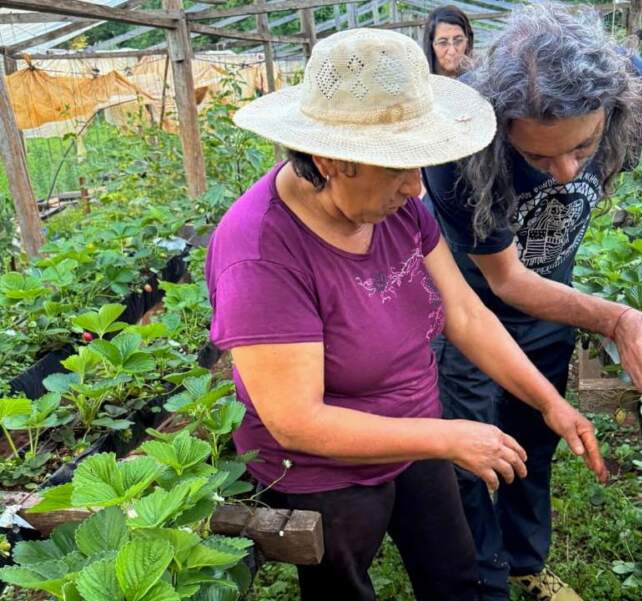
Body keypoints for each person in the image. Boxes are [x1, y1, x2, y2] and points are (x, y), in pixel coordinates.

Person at [206, 28, 607, 601]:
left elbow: (464, 313)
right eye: (398, 167)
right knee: (344, 587)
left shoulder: (397, 211)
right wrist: (447, 437)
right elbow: (296, 420)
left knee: (454, 573)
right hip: (323, 468)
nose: (416, 186)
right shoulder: (261, 253)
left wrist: (549, 403)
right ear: (332, 160)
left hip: (416, 432)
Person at [422, 4, 642, 601]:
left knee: (537, 430)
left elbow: (608, 163)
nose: (566, 171)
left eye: (583, 147)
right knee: (471, 444)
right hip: (471, 303)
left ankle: (525, 562)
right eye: (539, 158)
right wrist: (617, 317)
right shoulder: (457, 144)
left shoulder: (633, 85)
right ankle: (483, 578)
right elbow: (508, 282)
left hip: (554, 293)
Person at [422, 5, 474, 77]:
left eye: (458, 41)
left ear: (467, 41)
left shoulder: (481, 80)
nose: (452, 51)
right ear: (431, 45)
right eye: (443, 43)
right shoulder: (420, 82)